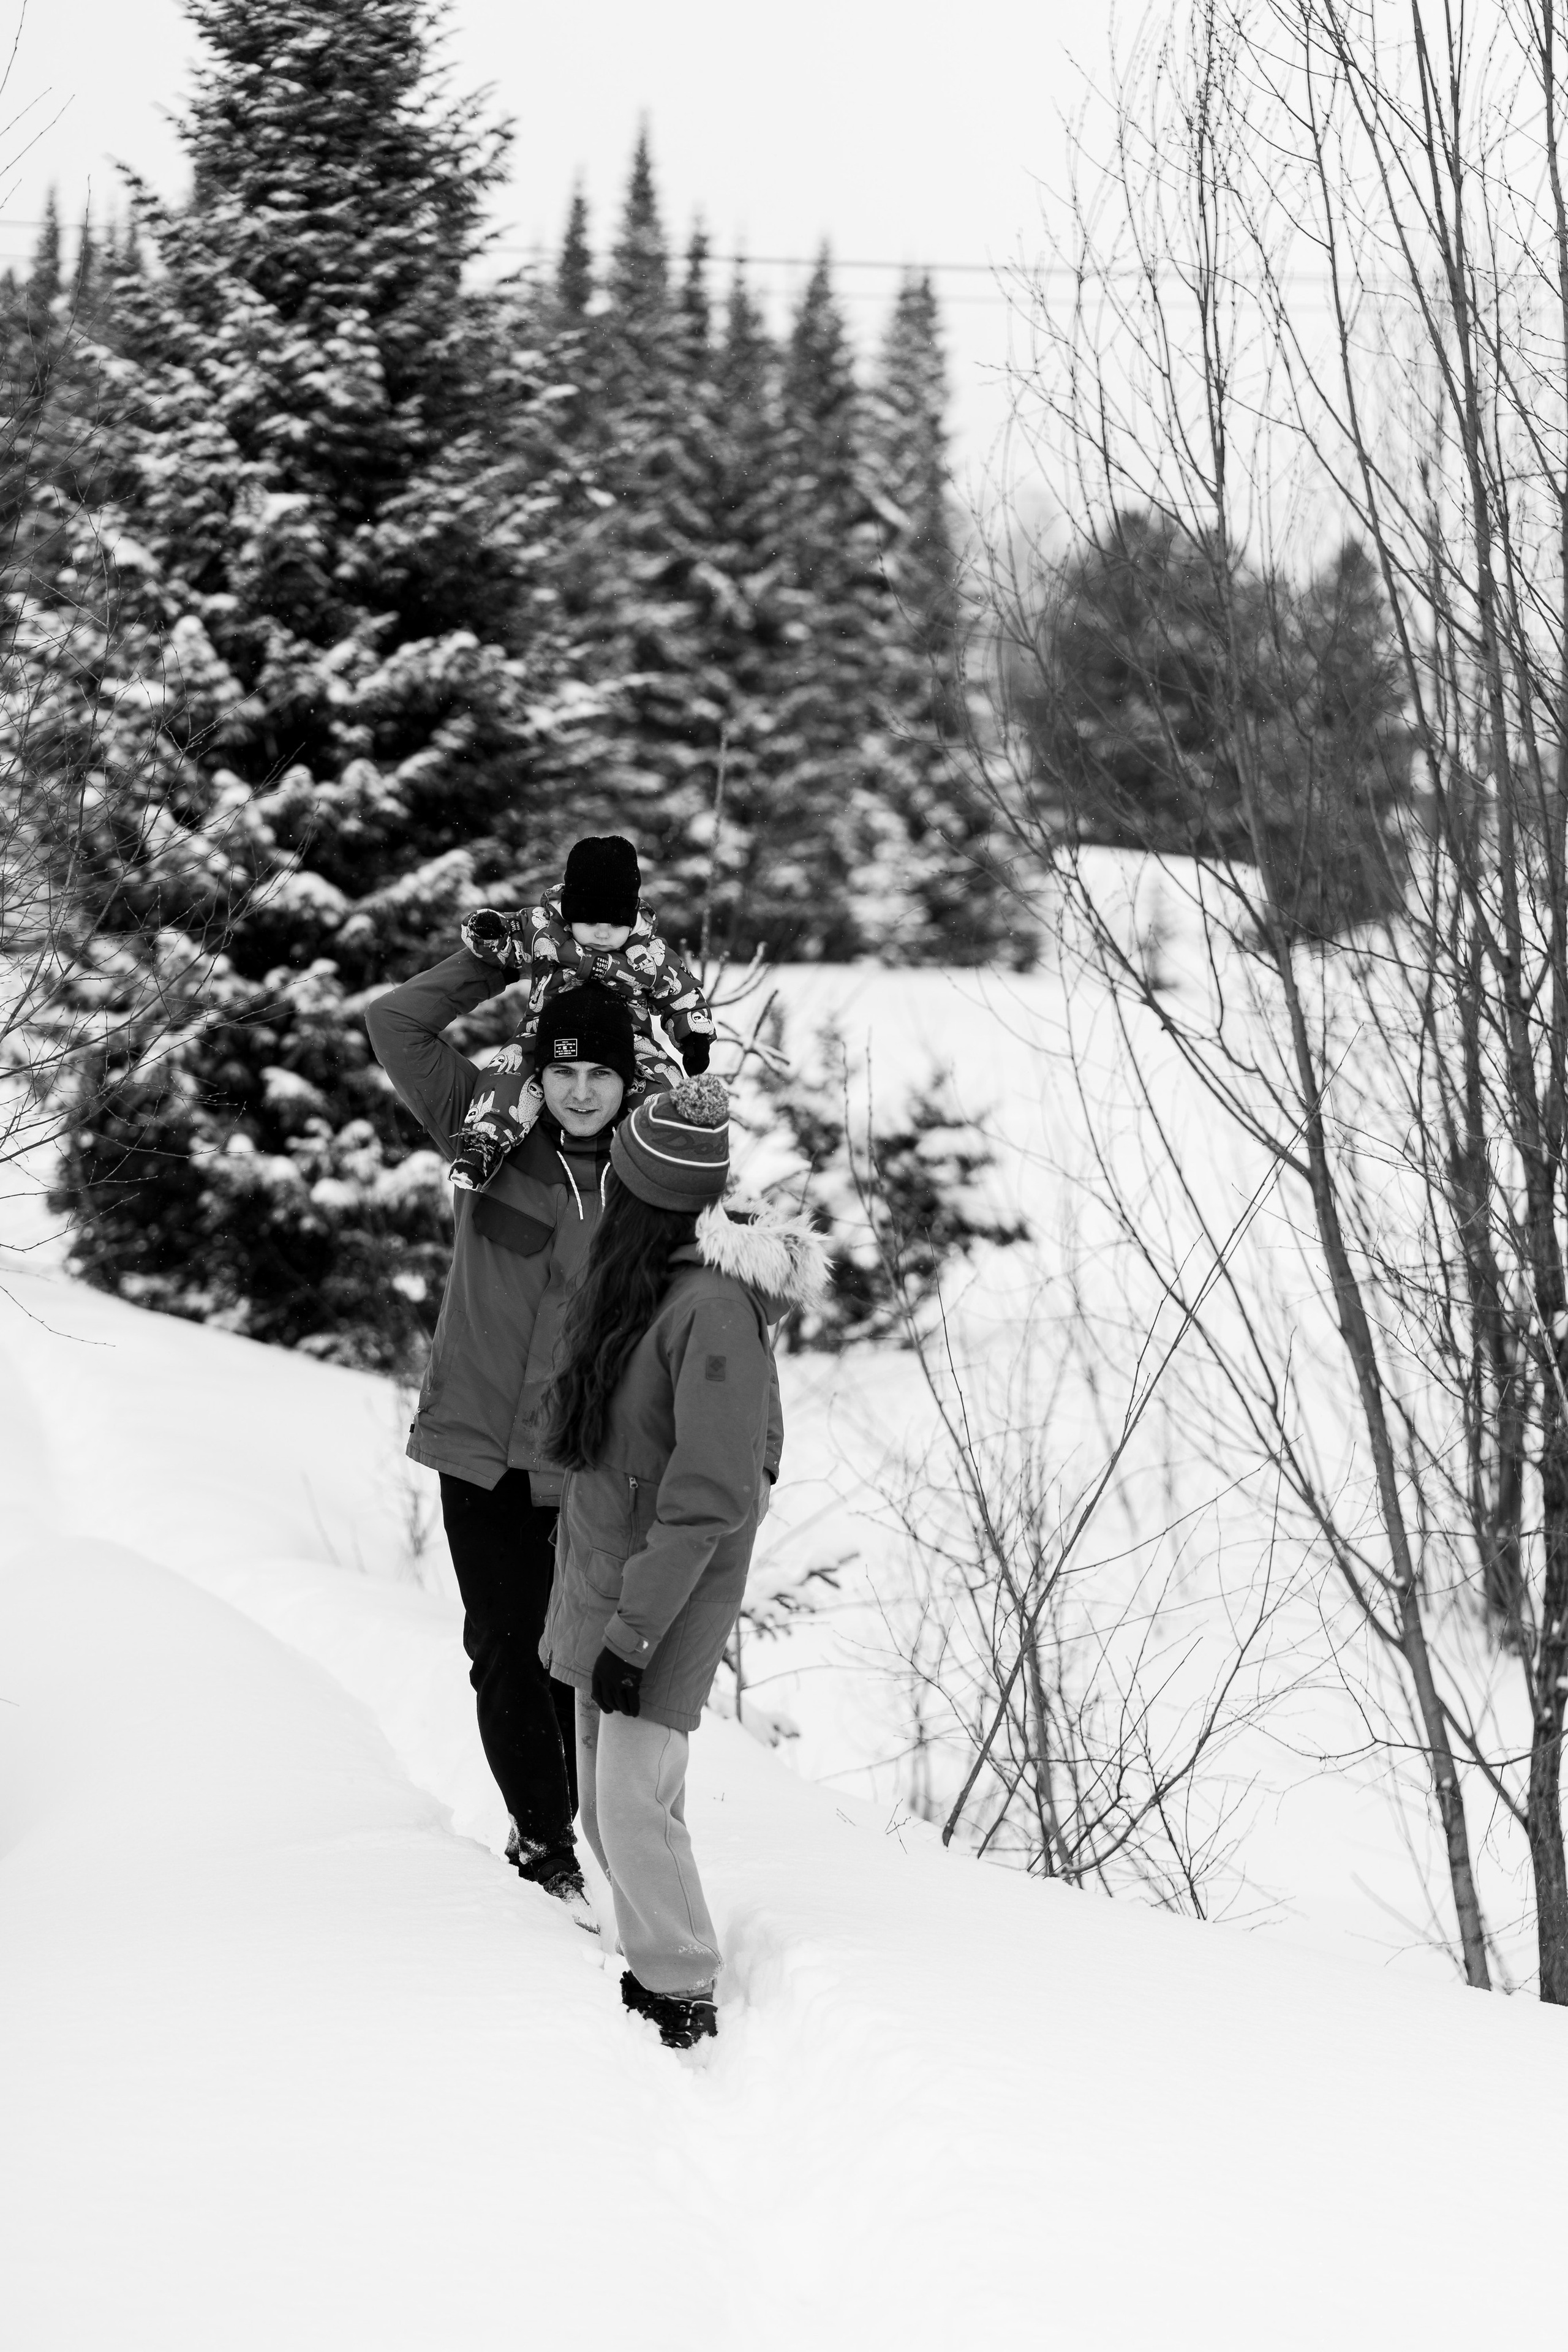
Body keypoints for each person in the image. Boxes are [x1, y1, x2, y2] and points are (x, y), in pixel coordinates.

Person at [539, 1075, 826, 2048]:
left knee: (631, 1796)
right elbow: (734, 1436)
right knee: (600, 1798)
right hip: (609, 1567)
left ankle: (681, 1988)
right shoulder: (644, 1282)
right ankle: (652, 1951)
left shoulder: (712, 1307)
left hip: (659, 1591)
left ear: (647, 1197)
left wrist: (638, 1626)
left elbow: (716, 1486)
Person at [366, 949, 646, 1930]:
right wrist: (499, 956)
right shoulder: (485, 1124)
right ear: (538, 1070)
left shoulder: (651, 1174)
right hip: (477, 1444)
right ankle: (544, 1843)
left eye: (599, 1074)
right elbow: (397, 1022)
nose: (578, 1092)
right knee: (504, 1651)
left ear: (626, 1078)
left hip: (584, 1459)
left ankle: (610, 1839)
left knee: (578, 1659)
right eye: (562, 1071)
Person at [450, 835, 716, 1193]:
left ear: (632, 914)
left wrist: (694, 1035)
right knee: (510, 1072)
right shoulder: (543, 929)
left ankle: (666, 1147)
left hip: (628, 1038)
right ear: (572, 909)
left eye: (616, 921)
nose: (604, 931)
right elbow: (505, 939)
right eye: (591, 919)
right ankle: (485, 1142)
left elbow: (680, 990)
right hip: (545, 1031)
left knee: (662, 1077)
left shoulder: (649, 952)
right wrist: (489, 931)